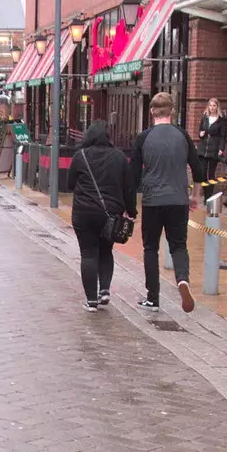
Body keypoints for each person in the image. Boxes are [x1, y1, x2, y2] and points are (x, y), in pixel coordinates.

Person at [131, 92, 203, 314]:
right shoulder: (183, 136)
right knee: (178, 245)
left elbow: (133, 176)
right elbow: (198, 170)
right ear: (172, 111)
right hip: (179, 200)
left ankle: (153, 298)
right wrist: (195, 196)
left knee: (150, 248)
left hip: (153, 201)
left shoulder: (143, 138)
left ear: (152, 111)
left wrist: (130, 206)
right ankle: (182, 280)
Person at [70, 121, 135, 310]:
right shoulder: (119, 157)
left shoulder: (80, 156)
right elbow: (129, 187)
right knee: (106, 250)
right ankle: (104, 290)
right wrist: (131, 211)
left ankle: (91, 301)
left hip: (84, 212)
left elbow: (69, 183)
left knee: (88, 253)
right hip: (110, 214)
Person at [196, 98, 227, 187]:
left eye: (214, 105)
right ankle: (204, 193)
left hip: (214, 148)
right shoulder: (204, 117)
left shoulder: (221, 120)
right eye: (210, 105)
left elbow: (223, 136)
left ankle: (208, 197)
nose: (212, 107)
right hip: (203, 148)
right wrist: (200, 134)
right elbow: (200, 130)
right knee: (202, 173)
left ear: (217, 107)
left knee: (211, 175)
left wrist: (221, 148)